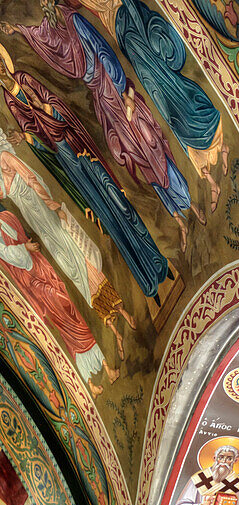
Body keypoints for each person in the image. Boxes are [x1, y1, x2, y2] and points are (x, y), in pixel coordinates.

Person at [3, 1, 205, 250]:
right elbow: (48, 42)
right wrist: (20, 29)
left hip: (115, 90)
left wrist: (123, 91)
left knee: (151, 144)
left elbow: (102, 50)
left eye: (45, 0)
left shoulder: (74, 20)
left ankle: (189, 203)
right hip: (103, 101)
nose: (43, 3)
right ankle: (178, 218)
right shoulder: (53, 28)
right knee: (137, 157)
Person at [0, 54, 170, 300]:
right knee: (107, 218)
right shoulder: (9, 99)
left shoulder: (24, 78)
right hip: (66, 160)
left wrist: (45, 108)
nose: (2, 72)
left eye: (1, 65)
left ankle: (157, 260)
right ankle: (146, 279)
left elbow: (55, 106)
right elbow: (35, 134)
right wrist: (25, 137)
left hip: (76, 146)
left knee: (120, 204)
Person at [77, 0, 229, 211]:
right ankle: (211, 180)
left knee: (187, 110)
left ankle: (222, 147)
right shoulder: (116, 22)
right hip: (148, 77)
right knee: (174, 123)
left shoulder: (130, 14)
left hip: (157, 68)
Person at [0, 125, 134, 362]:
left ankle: (122, 311)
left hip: (42, 209)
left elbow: (31, 179)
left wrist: (50, 202)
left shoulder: (5, 157)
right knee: (70, 269)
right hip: (37, 221)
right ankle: (113, 329)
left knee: (77, 255)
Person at [0, 206, 109, 393]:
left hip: (40, 267)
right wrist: (25, 247)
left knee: (71, 310)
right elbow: (5, 253)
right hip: (30, 280)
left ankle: (104, 363)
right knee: (62, 318)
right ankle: (88, 381)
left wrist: (28, 246)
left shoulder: (6, 216)